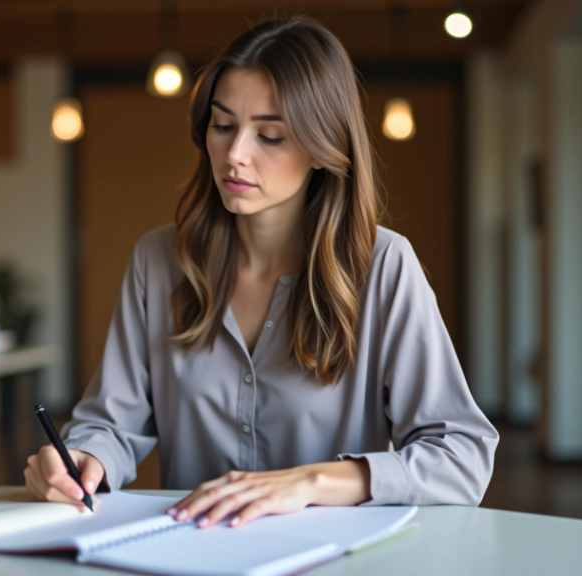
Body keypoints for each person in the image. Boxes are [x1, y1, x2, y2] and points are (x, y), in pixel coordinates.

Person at [25, 16, 498, 529]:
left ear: (322, 149)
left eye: (270, 135)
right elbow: (111, 423)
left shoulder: (384, 265)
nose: (235, 154)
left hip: (335, 556)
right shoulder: (158, 261)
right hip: (192, 551)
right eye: (222, 126)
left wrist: (312, 482)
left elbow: (462, 458)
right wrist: (84, 459)